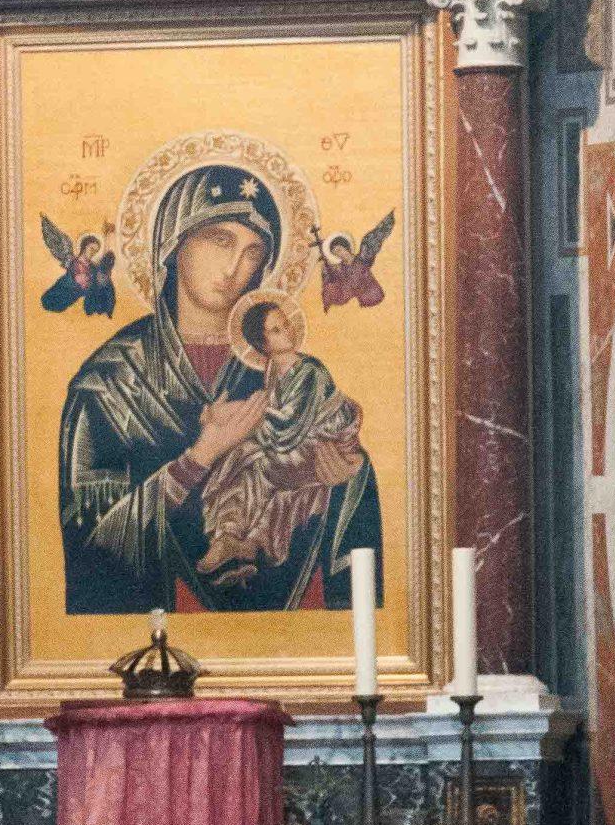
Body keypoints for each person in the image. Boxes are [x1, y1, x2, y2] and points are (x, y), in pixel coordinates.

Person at [57, 161, 381, 613]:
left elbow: (330, 459)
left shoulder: (281, 371)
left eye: (253, 252)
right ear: (174, 243)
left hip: (287, 628)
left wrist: (340, 475)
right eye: (219, 239)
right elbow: (91, 546)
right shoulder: (110, 382)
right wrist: (198, 458)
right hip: (154, 630)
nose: (234, 267)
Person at [198, 294, 372, 588]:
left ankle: (230, 536)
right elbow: (275, 419)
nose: (288, 331)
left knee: (253, 461)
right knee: (242, 456)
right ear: (263, 344)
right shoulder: (274, 371)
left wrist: (234, 417)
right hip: (297, 444)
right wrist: (234, 420)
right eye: (277, 330)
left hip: (324, 447)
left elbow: (288, 425)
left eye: (286, 324)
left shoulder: (310, 371)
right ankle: (232, 538)